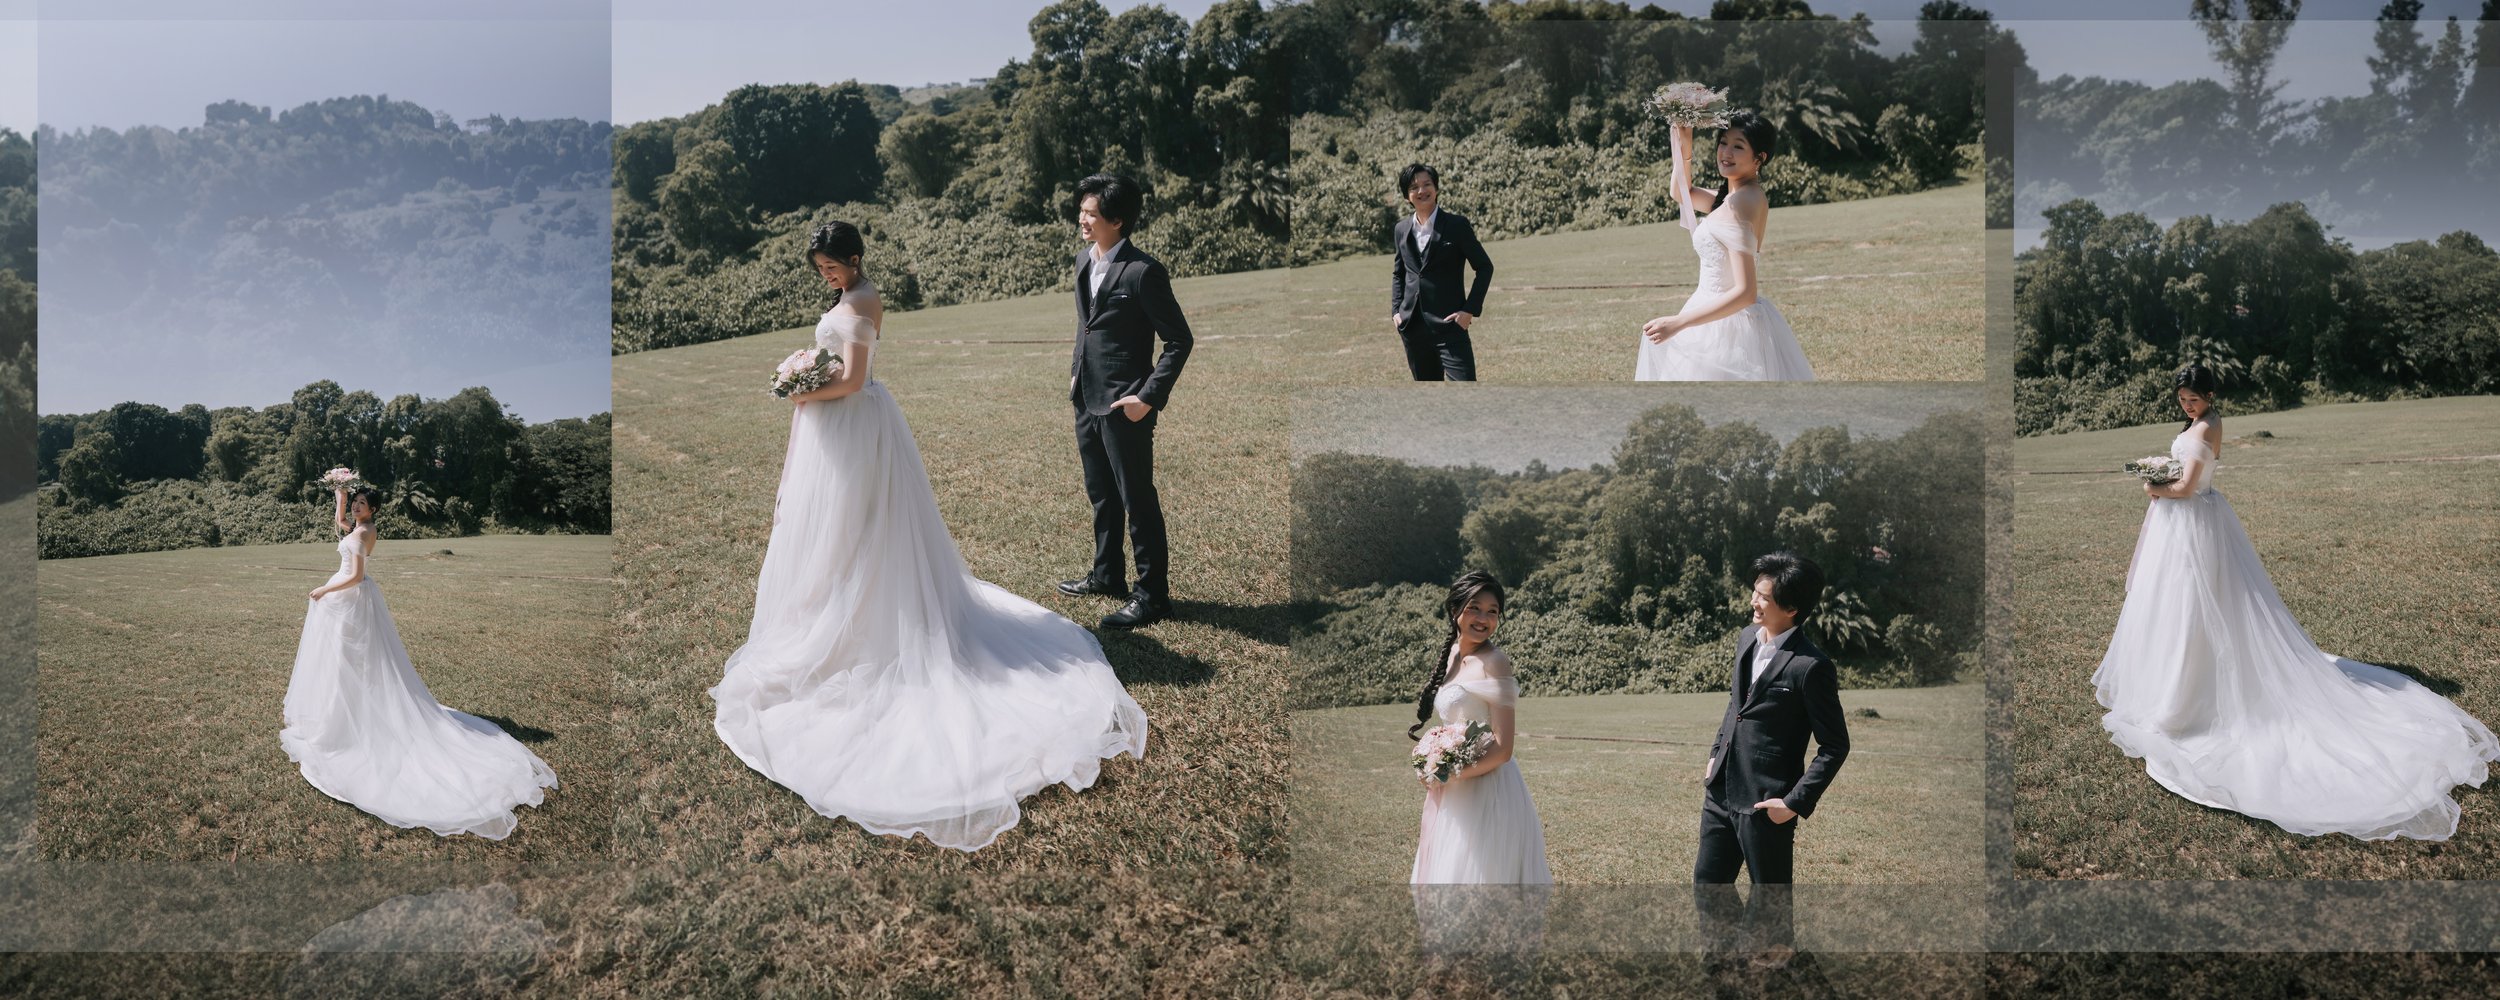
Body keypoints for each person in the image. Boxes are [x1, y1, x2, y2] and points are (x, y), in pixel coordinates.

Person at [712, 221, 1149, 852]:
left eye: (832, 266)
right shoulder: (843, 300)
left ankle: (869, 628)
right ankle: (828, 620)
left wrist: (798, 389)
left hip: (854, 423)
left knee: (864, 531)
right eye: (821, 270)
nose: (826, 277)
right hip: (828, 429)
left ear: (855, 260)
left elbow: (856, 380)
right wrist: (804, 388)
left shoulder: (864, 301)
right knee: (831, 535)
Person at [2092, 364, 2498, 840]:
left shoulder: (2205, 427)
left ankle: (2185, 698)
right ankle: (2179, 678)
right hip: (2195, 521)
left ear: (2209, 395)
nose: (2188, 406)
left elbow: (2183, 487)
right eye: (2182, 399)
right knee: (2185, 608)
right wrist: (2165, 466)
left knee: (2197, 607)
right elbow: (2189, 473)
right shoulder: (2209, 420)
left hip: (2191, 522)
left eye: (2193, 399)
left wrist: (2151, 484)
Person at [281, 484, 557, 839]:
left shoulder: (367, 532)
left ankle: (355, 720)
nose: (357, 509)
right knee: (339, 663)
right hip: (343, 600)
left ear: (374, 510)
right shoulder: (355, 524)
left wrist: (324, 590)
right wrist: (340, 496)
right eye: (356, 504)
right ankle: (340, 711)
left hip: (349, 597)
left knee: (357, 661)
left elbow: (356, 576)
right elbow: (340, 525)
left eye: (362, 505)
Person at [1056, 173, 1193, 629]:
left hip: (1124, 405)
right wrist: (1076, 376)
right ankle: (1107, 575)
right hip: (1085, 398)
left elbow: (1179, 340)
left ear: (1117, 220)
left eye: (1091, 213)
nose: (1083, 219)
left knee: (1137, 499)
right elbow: (1089, 328)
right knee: (1101, 495)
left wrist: (1147, 398)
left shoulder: (1142, 271)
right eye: (1082, 211)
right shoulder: (1081, 260)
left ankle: (1153, 596)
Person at [1637, 111, 1815, 382]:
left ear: (1760, 158)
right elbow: (1680, 192)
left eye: (1738, 146)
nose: (1726, 152)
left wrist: (1678, 323)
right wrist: (1685, 142)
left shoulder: (1742, 203)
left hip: (1727, 327)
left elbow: (1746, 292)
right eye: (1723, 142)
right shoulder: (1732, 197)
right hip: (1712, 313)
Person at [1388, 163, 1494, 381]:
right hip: (1413, 328)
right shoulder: (1401, 230)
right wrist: (1396, 312)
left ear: (1436, 188)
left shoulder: (1457, 225)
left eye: (1427, 184)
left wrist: (1469, 311)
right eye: (1414, 187)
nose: (1421, 191)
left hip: (1450, 326)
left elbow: (1484, 267)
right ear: (1407, 196)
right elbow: (1399, 274)